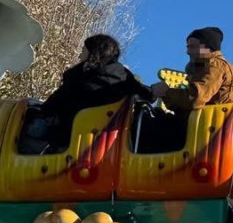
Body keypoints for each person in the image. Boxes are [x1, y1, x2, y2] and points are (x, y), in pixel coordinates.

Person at [20, 34, 152, 154]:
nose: (80, 54)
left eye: (84, 49)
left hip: (69, 134)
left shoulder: (80, 77)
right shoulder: (124, 77)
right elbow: (146, 95)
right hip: (100, 139)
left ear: (93, 52)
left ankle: (23, 166)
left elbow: (55, 104)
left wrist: (40, 113)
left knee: (31, 127)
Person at [141, 27, 233, 152]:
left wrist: (166, 92)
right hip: (203, 130)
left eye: (192, 46)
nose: (188, 52)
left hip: (201, 132)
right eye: (187, 47)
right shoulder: (211, 65)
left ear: (207, 48)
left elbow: (195, 99)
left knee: (144, 126)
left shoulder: (213, 64)